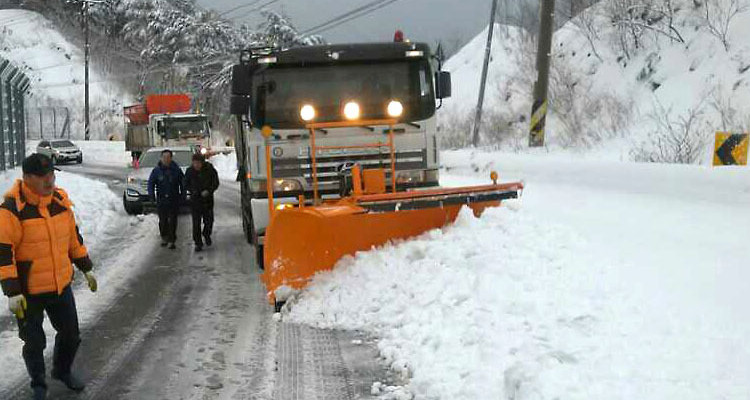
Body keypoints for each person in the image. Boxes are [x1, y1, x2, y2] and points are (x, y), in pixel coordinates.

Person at [0, 153, 98, 400]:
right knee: (34, 343)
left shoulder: (60, 202)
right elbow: (3, 253)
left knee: (71, 335)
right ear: (27, 178)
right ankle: (38, 385)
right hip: (28, 292)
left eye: (52, 175)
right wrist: (12, 292)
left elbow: (73, 240)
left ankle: (61, 371)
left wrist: (86, 267)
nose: (49, 180)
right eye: (43, 176)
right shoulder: (12, 209)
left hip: (60, 285)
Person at [147, 149, 184, 250]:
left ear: (171, 158)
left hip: (173, 199)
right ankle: (164, 237)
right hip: (161, 199)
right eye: (164, 157)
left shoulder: (176, 170)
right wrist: (151, 195)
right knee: (163, 220)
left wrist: (183, 195)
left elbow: (182, 183)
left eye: (168, 157)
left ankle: (172, 240)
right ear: (161, 158)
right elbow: (151, 183)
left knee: (173, 220)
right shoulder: (156, 171)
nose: (166, 159)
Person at [184, 153, 219, 252]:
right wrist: (192, 190)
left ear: (202, 162)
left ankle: (207, 234)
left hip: (207, 200)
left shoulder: (210, 170)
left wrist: (209, 190)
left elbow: (215, 182)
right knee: (196, 223)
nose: (196, 165)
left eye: (198, 163)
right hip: (195, 201)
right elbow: (185, 183)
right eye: (194, 163)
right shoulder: (189, 171)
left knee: (209, 221)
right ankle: (198, 243)